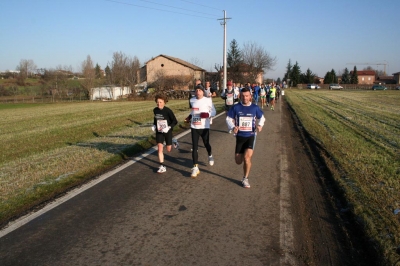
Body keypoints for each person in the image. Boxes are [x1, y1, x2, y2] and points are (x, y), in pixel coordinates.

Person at [225, 87, 265, 188]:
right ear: (240, 96)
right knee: (238, 161)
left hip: (250, 136)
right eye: (243, 96)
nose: (245, 98)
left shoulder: (255, 108)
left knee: (247, 158)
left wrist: (260, 125)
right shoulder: (236, 107)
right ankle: (244, 155)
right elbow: (228, 119)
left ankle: (245, 178)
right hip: (240, 137)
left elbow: (262, 118)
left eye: (247, 96)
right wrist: (233, 127)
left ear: (250, 96)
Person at [185, 84, 216, 178]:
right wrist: (189, 117)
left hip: (204, 126)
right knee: (194, 147)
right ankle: (195, 167)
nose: (198, 92)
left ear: (203, 92)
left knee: (206, 143)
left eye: (200, 90)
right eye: (196, 90)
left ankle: (210, 155)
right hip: (194, 126)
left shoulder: (208, 100)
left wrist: (207, 114)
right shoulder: (192, 100)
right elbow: (193, 111)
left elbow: (214, 111)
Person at [152, 94, 179, 173]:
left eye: (160, 102)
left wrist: (169, 127)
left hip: (167, 131)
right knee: (160, 148)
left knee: (168, 149)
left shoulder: (168, 111)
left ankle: (174, 141)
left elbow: (175, 121)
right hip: (159, 131)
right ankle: (162, 166)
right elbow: (156, 119)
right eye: (157, 102)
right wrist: (154, 125)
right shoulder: (155, 110)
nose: (159, 104)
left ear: (164, 102)